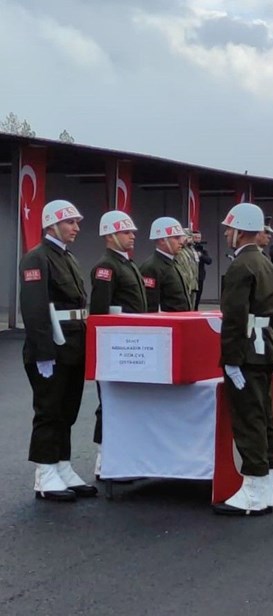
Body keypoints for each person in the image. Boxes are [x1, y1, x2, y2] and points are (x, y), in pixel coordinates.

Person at [20, 200, 97, 501]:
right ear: (52, 224)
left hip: (74, 345)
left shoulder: (68, 258)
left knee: (68, 410)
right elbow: (35, 308)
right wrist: (43, 353)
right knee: (49, 410)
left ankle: (62, 466)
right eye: (70, 223)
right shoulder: (36, 258)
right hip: (52, 346)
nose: (76, 228)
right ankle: (45, 471)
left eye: (76, 223)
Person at [215, 202, 273, 516]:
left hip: (246, 350)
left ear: (240, 230)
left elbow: (233, 317)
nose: (227, 234)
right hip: (264, 348)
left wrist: (229, 358)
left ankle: (254, 488)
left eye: (230, 229)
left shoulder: (240, 267)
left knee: (249, 419)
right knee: (265, 416)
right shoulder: (267, 264)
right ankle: (266, 483)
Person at [90, 210, 148, 477]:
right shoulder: (107, 267)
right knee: (111, 402)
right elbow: (101, 312)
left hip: (133, 343)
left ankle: (124, 457)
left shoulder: (128, 264)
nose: (132, 236)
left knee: (129, 402)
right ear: (111, 235)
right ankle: (104, 458)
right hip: (118, 346)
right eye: (126, 232)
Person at [140, 217, 194, 312]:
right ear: (162, 240)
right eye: (176, 238)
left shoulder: (173, 262)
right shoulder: (151, 267)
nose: (181, 242)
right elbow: (150, 306)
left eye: (181, 237)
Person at [176, 229, 200, 307]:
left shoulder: (191, 250)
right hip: (186, 284)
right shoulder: (180, 251)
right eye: (188, 237)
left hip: (192, 283)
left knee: (192, 306)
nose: (190, 240)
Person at [192, 231, 212, 309]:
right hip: (190, 276)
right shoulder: (188, 249)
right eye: (195, 238)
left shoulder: (202, 250)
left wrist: (201, 255)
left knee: (198, 296)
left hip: (200, 276)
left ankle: (196, 308)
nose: (197, 240)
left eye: (199, 238)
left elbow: (209, 261)